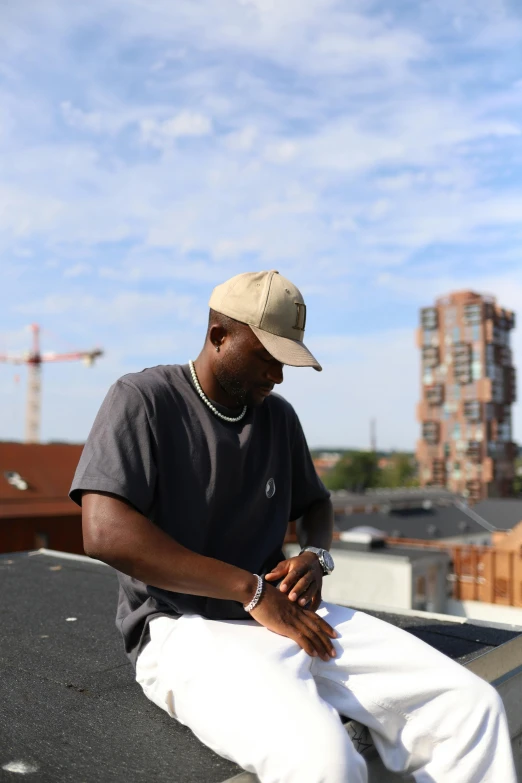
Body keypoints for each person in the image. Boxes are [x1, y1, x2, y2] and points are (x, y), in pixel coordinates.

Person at [70, 270, 516, 783]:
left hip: (285, 614)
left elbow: (317, 506)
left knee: (471, 707)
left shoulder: (277, 418)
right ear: (219, 336)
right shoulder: (143, 398)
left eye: (285, 362)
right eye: (268, 358)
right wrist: (251, 591)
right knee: (324, 763)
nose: (278, 376)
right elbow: (104, 532)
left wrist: (315, 556)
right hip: (180, 627)